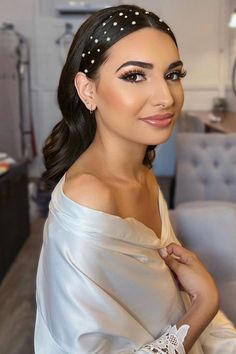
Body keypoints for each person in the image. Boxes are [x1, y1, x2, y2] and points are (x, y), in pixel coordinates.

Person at [34, 4, 236, 354]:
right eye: (134, 76)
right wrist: (205, 303)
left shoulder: (142, 174)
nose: (166, 97)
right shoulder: (89, 200)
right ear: (88, 90)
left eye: (173, 74)